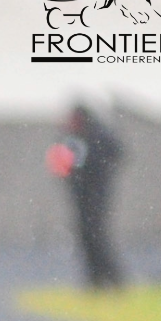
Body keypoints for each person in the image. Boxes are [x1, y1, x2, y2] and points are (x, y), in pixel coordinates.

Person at [48, 103, 125, 289]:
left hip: (96, 194)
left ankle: (113, 277)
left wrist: (96, 173)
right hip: (80, 195)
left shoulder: (97, 135)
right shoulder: (72, 138)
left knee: (95, 235)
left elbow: (116, 153)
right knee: (85, 236)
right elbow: (65, 161)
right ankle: (95, 279)